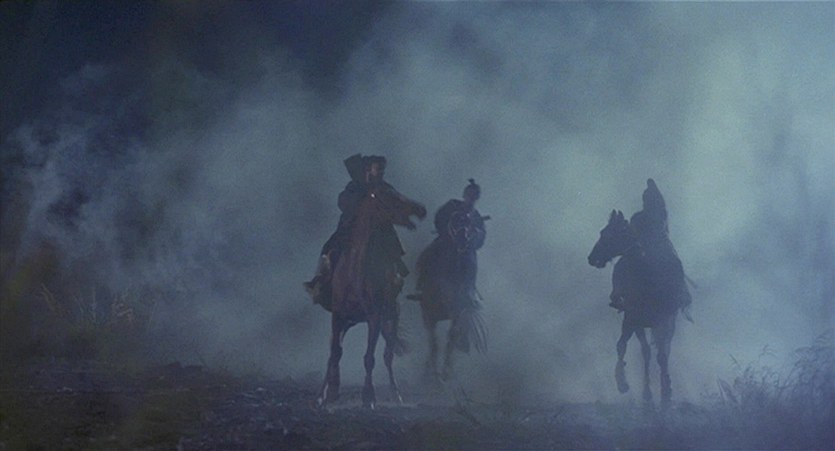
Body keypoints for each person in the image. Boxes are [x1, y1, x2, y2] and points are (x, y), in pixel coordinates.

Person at [304, 154, 416, 306]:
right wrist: (361, 206)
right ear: (368, 170)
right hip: (352, 228)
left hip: (380, 229)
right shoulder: (354, 187)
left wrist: (404, 219)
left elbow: (395, 204)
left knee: (391, 250)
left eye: (382, 170)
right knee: (331, 249)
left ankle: (393, 284)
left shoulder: (385, 188)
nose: (381, 173)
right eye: (378, 169)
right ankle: (320, 283)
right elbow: (343, 202)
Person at [415, 179, 488, 318]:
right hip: (447, 242)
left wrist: (473, 238)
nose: (470, 199)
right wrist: (446, 233)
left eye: (473, 197)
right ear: (464, 195)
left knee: (471, 264)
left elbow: (481, 237)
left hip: (465, 248)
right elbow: (439, 218)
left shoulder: (476, 216)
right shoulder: (452, 206)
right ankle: (422, 286)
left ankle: (469, 292)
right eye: (469, 196)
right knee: (428, 255)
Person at [617, 178, 691, 313]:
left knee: (675, 264)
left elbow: (660, 230)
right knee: (622, 264)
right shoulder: (637, 217)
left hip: (660, 248)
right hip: (642, 247)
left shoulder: (660, 214)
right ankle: (618, 294)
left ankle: (681, 294)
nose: (647, 202)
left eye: (650, 199)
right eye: (645, 199)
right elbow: (633, 234)